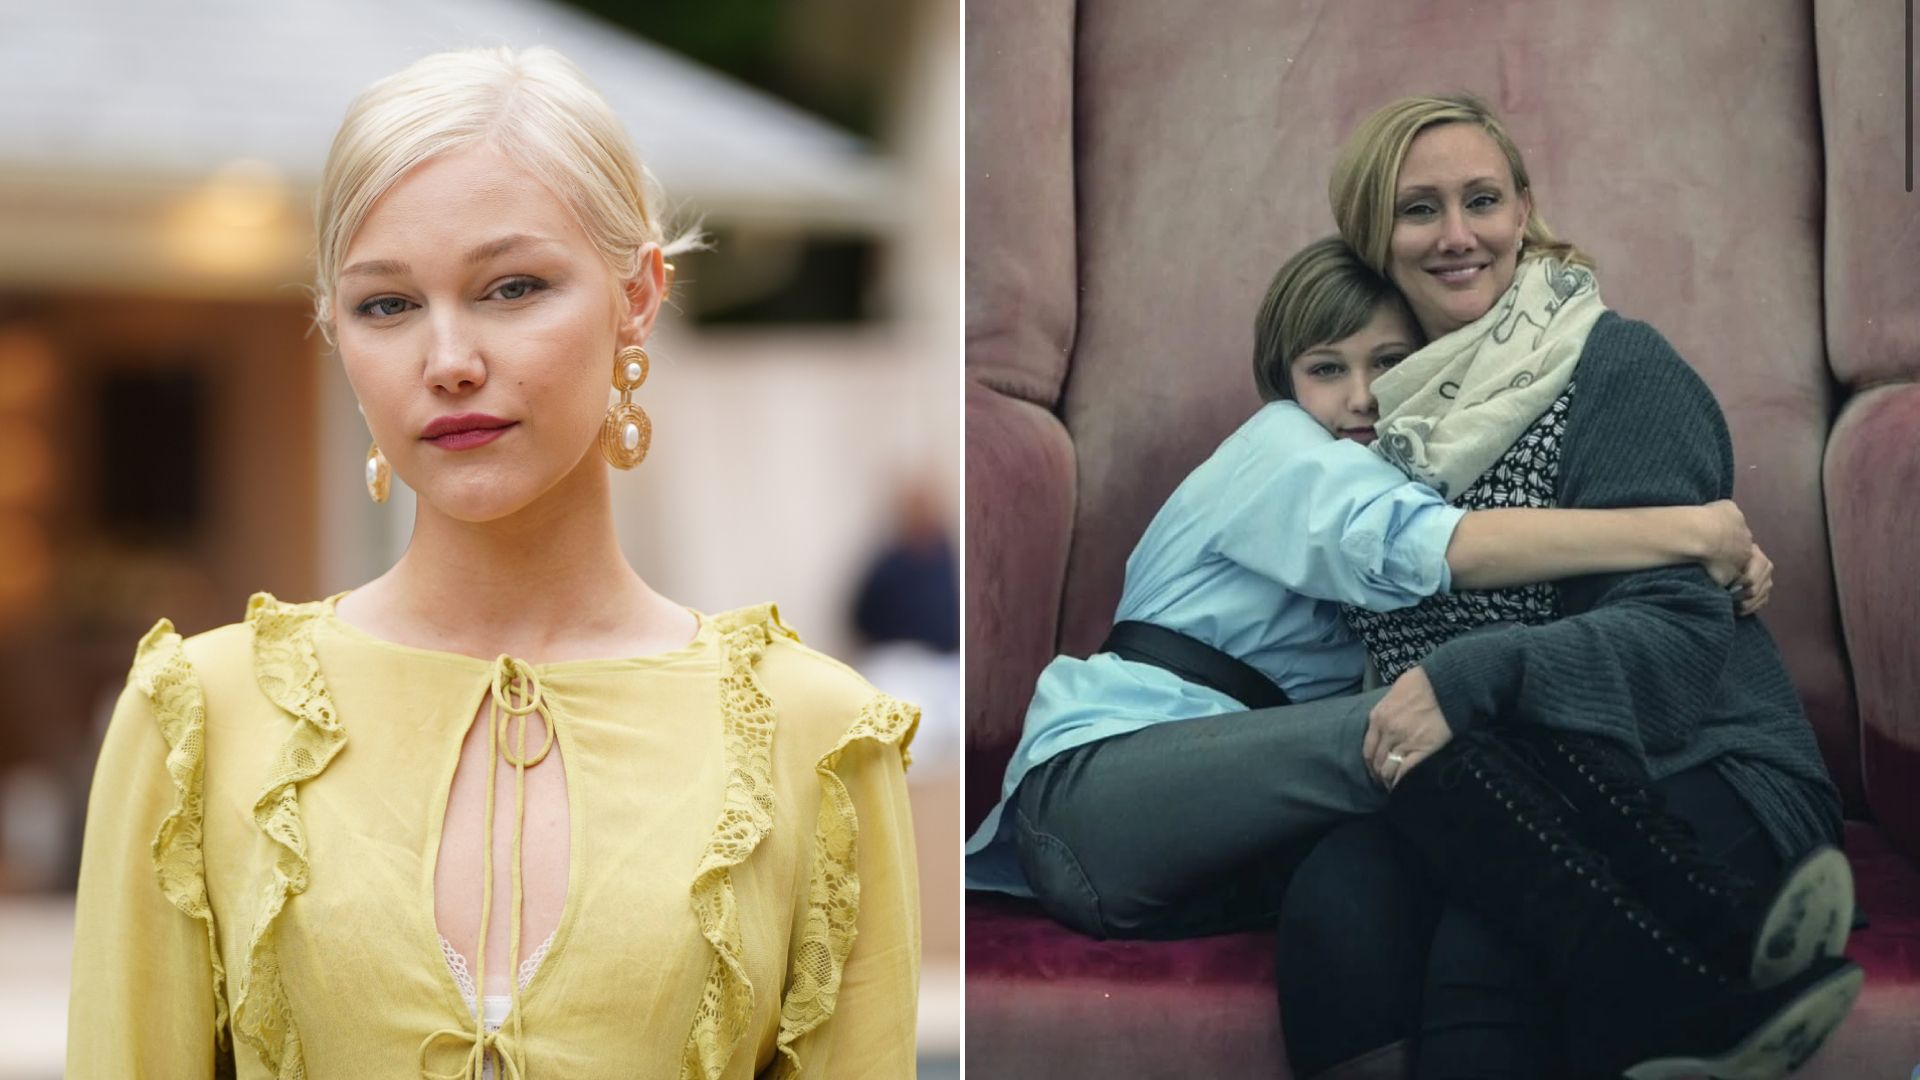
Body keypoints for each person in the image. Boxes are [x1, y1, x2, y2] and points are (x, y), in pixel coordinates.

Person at [66, 47, 920, 1079]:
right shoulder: (198, 716)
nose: (449, 362)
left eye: (513, 288)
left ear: (638, 296)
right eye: (387, 305)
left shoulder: (818, 735)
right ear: (335, 329)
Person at [961, 235, 1782, 951]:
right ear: (1284, 380)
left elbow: (1504, 564)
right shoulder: (1285, 450)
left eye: (1388, 364)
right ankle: (1713, 926)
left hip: (1212, 851)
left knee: (1422, 855)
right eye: (1327, 369)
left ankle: (1674, 962)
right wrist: (1692, 532)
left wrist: (1709, 571)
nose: (1360, 398)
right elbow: (1452, 549)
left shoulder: (1401, 475)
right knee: (1429, 717)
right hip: (1099, 793)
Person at [1273, 93, 1858, 1080]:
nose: (1456, 236)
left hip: (1694, 759)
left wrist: (1472, 676)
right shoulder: (1365, 409)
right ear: (1372, 235)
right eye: (1418, 209)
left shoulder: (1615, 366)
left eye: (1482, 200)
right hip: (1484, 781)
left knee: (1493, 947)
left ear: (1523, 211)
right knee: (1335, 914)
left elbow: (1676, 642)